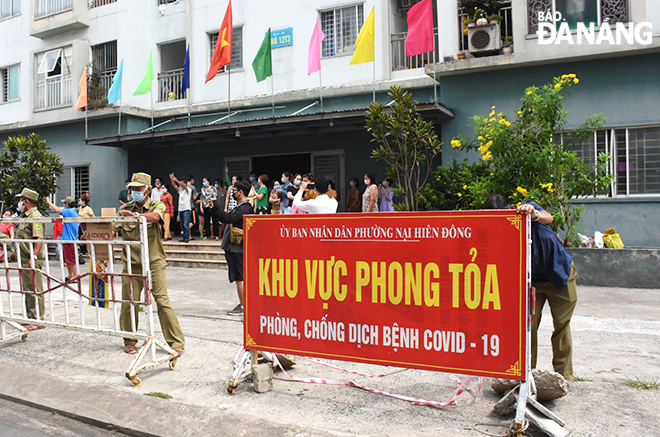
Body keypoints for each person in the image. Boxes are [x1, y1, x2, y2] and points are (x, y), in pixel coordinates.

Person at [483, 194, 577, 380]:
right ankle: (526, 373)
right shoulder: (497, 234)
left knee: (561, 324)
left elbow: (547, 217)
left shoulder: (526, 210)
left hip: (560, 275)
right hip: (533, 281)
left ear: (511, 208)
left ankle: (564, 375)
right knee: (527, 327)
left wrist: (533, 214)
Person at [114, 172, 185, 356]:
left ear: (147, 190)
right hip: (132, 264)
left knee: (162, 300)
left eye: (138, 188)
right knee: (129, 302)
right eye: (132, 189)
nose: (135, 192)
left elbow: (155, 217)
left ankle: (176, 341)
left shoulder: (156, 204)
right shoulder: (124, 209)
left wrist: (136, 216)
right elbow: (111, 226)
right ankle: (129, 340)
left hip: (154, 262)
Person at [211, 180, 254, 316]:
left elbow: (228, 219)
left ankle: (243, 306)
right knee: (238, 276)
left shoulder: (245, 208)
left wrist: (216, 207)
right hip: (234, 248)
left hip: (237, 248)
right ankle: (244, 303)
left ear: (241, 192)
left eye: (234, 191)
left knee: (239, 277)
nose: (232, 194)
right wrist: (214, 208)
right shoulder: (241, 206)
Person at [15, 188, 45, 330]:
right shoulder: (25, 216)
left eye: (20, 200)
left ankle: (39, 320)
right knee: (28, 288)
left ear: (26, 201)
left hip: (31, 258)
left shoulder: (35, 216)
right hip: (25, 258)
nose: (19, 203)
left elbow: (39, 238)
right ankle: (30, 316)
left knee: (35, 288)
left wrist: (34, 256)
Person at [46, 196, 79, 281]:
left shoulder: (69, 211)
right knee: (68, 259)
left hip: (70, 240)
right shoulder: (72, 212)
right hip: (67, 239)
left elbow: (57, 210)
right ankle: (70, 275)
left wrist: (49, 203)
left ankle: (74, 276)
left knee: (71, 259)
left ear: (67, 204)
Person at [170, 173, 191, 243]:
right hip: (181, 209)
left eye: (181, 183)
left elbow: (183, 186)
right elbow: (174, 186)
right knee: (182, 225)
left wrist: (177, 180)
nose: (180, 185)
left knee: (186, 224)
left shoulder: (188, 190)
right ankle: (184, 237)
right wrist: (172, 179)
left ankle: (187, 237)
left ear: (185, 184)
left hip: (187, 209)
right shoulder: (180, 191)